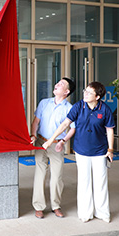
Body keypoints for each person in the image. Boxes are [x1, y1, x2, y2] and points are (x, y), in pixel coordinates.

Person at [43, 81, 115, 223]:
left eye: (89, 92)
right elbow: (65, 124)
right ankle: (85, 213)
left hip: (99, 151)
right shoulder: (78, 106)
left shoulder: (104, 109)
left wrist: (110, 149)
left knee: (100, 182)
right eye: (85, 91)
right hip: (81, 150)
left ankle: (102, 213)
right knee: (84, 181)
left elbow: (109, 129)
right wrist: (51, 140)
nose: (85, 94)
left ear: (98, 96)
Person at [30, 78, 76, 219]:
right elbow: (36, 121)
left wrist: (63, 141)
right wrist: (32, 135)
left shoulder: (70, 108)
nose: (57, 85)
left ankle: (56, 206)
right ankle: (39, 207)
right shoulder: (44, 103)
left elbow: (72, 129)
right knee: (40, 174)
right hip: (41, 142)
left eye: (61, 84)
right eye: (58, 82)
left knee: (56, 178)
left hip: (57, 145)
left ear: (67, 91)